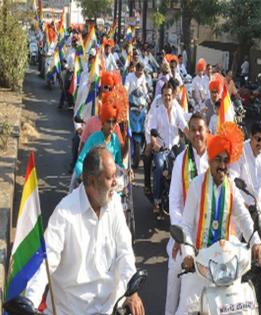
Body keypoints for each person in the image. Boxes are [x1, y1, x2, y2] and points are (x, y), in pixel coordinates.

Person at [26, 147, 145, 315]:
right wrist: (29, 303)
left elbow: (124, 252)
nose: (116, 183)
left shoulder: (115, 204)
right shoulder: (64, 213)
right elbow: (45, 264)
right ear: (91, 181)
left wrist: (131, 291)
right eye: (110, 178)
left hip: (109, 308)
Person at [176, 122, 261, 315]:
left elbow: (243, 217)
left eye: (226, 160)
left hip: (224, 264)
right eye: (218, 160)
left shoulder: (231, 186)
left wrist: (256, 241)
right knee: (185, 309)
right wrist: (188, 254)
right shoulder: (196, 185)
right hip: (199, 261)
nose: (223, 165)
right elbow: (185, 225)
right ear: (210, 160)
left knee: (240, 306)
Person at [165, 113, 209, 315]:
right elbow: (174, 200)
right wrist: (179, 234)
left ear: (207, 130)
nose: (197, 133)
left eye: (200, 128)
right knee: (175, 270)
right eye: (193, 129)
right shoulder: (181, 160)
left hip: (210, 232)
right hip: (185, 232)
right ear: (188, 133)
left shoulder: (216, 158)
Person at [149, 82, 189, 219]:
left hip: (175, 149)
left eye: (169, 95)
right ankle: (157, 200)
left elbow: (184, 127)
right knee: (160, 167)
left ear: (173, 96)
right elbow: (152, 132)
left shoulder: (177, 110)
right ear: (162, 95)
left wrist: (194, 138)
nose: (167, 98)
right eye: (165, 95)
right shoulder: (157, 111)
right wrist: (155, 144)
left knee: (187, 169)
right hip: (162, 149)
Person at [74, 99, 124, 178]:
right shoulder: (93, 139)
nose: (111, 126)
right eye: (108, 122)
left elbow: (119, 165)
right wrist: (81, 175)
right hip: (93, 183)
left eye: (113, 122)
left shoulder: (116, 141)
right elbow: (80, 161)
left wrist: (126, 173)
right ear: (103, 123)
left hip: (110, 183)